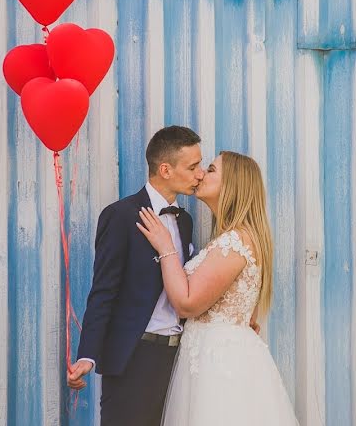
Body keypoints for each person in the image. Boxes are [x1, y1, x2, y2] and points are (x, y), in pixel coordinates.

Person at [136, 151, 298, 424]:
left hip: (220, 367)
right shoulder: (232, 239)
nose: (200, 174)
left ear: (232, 185)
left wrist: (166, 247)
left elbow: (187, 303)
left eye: (210, 170)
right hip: (208, 360)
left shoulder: (234, 242)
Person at [67, 126, 204, 425]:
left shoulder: (185, 222)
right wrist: (87, 355)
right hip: (133, 358)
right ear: (165, 169)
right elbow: (104, 289)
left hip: (177, 360)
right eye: (193, 167)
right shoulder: (121, 215)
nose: (200, 174)